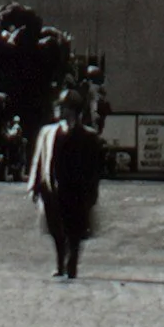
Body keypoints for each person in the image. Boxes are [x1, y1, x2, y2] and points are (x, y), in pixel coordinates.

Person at [28, 92, 105, 279]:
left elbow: (95, 167)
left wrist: (92, 191)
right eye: (60, 106)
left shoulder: (88, 136)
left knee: (75, 229)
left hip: (76, 190)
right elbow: (39, 158)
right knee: (56, 229)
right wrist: (34, 185)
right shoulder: (48, 132)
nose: (60, 110)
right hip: (52, 189)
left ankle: (72, 264)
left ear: (74, 111)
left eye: (65, 107)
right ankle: (60, 262)